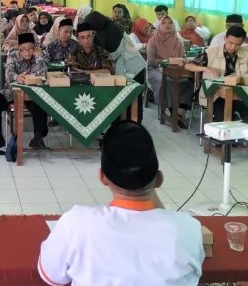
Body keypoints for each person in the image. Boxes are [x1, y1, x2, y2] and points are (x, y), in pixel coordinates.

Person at [38, 121, 204, 286]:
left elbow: (52, 276)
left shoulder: (75, 225)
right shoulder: (189, 229)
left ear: (103, 177)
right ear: (159, 179)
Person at [186, 26, 248, 127]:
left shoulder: (247, 54)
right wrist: (206, 69)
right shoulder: (211, 52)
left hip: (240, 95)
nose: (233, 47)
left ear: (242, 43)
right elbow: (188, 65)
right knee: (223, 117)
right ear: (225, 39)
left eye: (238, 44)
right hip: (216, 96)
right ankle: (228, 134)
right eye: (230, 43)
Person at [0, 33, 50, 151]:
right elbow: (9, 73)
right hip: (12, 92)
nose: (27, 51)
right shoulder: (13, 56)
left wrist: (38, 56)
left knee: (41, 104)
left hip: (33, 92)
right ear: (19, 49)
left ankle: (37, 138)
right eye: (24, 49)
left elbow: (42, 74)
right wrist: (17, 77)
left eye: (30, 48)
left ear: (34, 48)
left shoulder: (40, 56)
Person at [83, 11, 147, 122]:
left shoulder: (110, 30)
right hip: (131, 67)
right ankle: (128, 124)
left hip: (132, 68)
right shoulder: (105, 28)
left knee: (132, 98)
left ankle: (133, 125)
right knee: (129, 98)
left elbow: (113, 53)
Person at [147, 16, 193, 127]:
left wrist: (182, 61)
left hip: (175, 70)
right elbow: (151, 61)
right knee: (164, 80)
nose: (167, 25)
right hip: (156, 69)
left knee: (190, 83)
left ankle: (180, 113)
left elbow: (182, 57)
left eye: (170, 23)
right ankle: (172, 110)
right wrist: (167, 61)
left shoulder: (178, 41)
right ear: (159, 26)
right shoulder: (153, 40)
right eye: (164, 23)